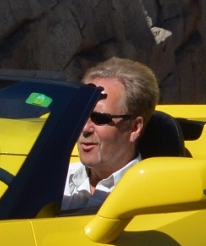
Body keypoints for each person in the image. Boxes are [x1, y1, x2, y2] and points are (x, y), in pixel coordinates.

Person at [62, 57, 158, 213]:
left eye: (100, 118)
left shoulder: (154, 196)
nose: (85, 128)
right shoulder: (52, 180)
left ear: (134, 128)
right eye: (81, 113)